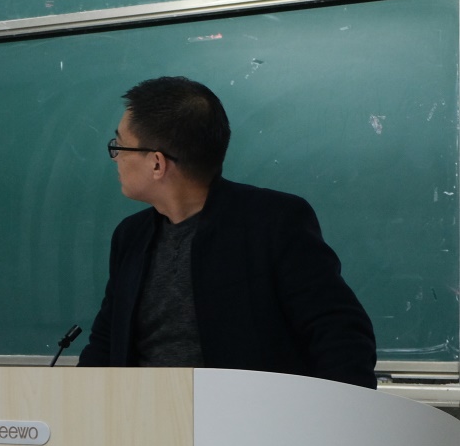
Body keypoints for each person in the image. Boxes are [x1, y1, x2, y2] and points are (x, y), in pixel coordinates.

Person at [77, 76, 377, 388]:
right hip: (143, 413)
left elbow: (340, 334)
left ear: (157, 164)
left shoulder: (272, 223)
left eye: (120, 146)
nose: (116, 158)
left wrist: (337, 413)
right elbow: (106, 342)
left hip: (249, 413)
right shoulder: (130, 236)